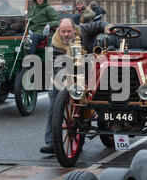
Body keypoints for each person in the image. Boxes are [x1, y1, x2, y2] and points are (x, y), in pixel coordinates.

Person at [41, 18, 110, 154]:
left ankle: (83, 136)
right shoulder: (55, 44)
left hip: (86, 74)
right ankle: (51, 143)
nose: (66, 34)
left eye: (68, 31)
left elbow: (98, 25)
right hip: (62, 78)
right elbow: (56, 68)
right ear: (58, 31)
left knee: (96, 98)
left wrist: (108, 27)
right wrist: (68, 83)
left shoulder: (83, 31)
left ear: (75, 29)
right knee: (54, 107)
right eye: (63, 32)